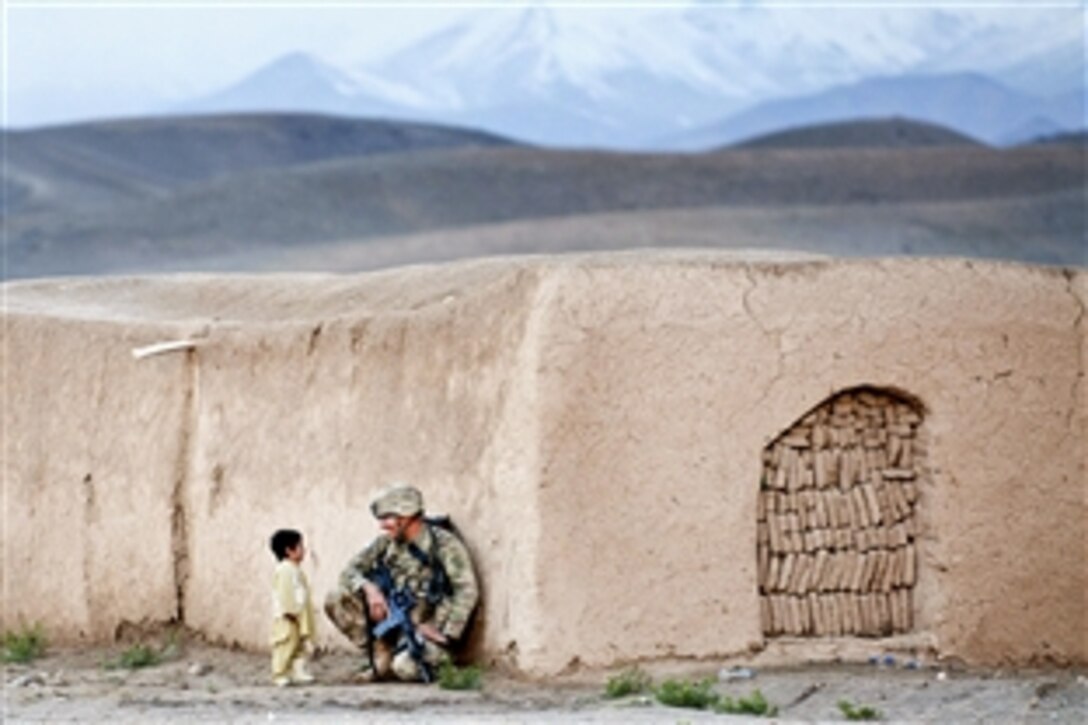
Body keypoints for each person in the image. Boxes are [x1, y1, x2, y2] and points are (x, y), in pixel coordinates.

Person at [325, 483, 480, 682]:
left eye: (388, 518)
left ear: (407, 516)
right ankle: (381, 653)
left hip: (428, 628)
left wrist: (447, 634)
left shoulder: (444, 545)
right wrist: (370, 589)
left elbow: (466, 589)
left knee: (404, 668)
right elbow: (349, 572)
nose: (382, 526)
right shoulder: (385, 544)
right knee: (336, 598)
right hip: (394, 620)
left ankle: (433, 662)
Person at [269, 528, 316, 687]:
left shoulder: (295, 570)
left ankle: (297, 671)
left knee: (298, 646)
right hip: (287, 617)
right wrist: (290, 612)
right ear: (289, 550)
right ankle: (280, 673)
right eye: (300, 546)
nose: (304, 550)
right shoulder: (284, 570)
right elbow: (285, 594)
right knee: (285, 644)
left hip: (298, 616)